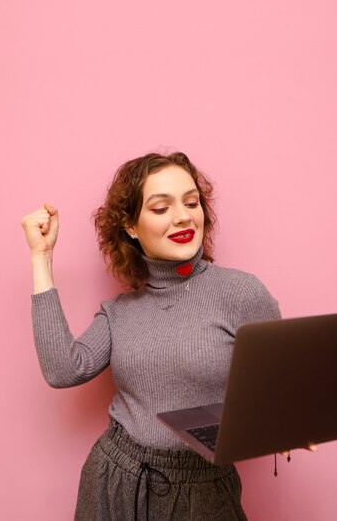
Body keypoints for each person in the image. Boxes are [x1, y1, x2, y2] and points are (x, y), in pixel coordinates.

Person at [21, 152, 281, 521]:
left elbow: (279, 387)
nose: (182, 216)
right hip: (115, 479)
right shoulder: (120, 312)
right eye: (161, 208)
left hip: (203, 489)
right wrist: (41, 258)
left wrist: (293, 425)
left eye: (191, 203)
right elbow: (64, 369)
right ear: (130, 225)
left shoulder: (241, 294)